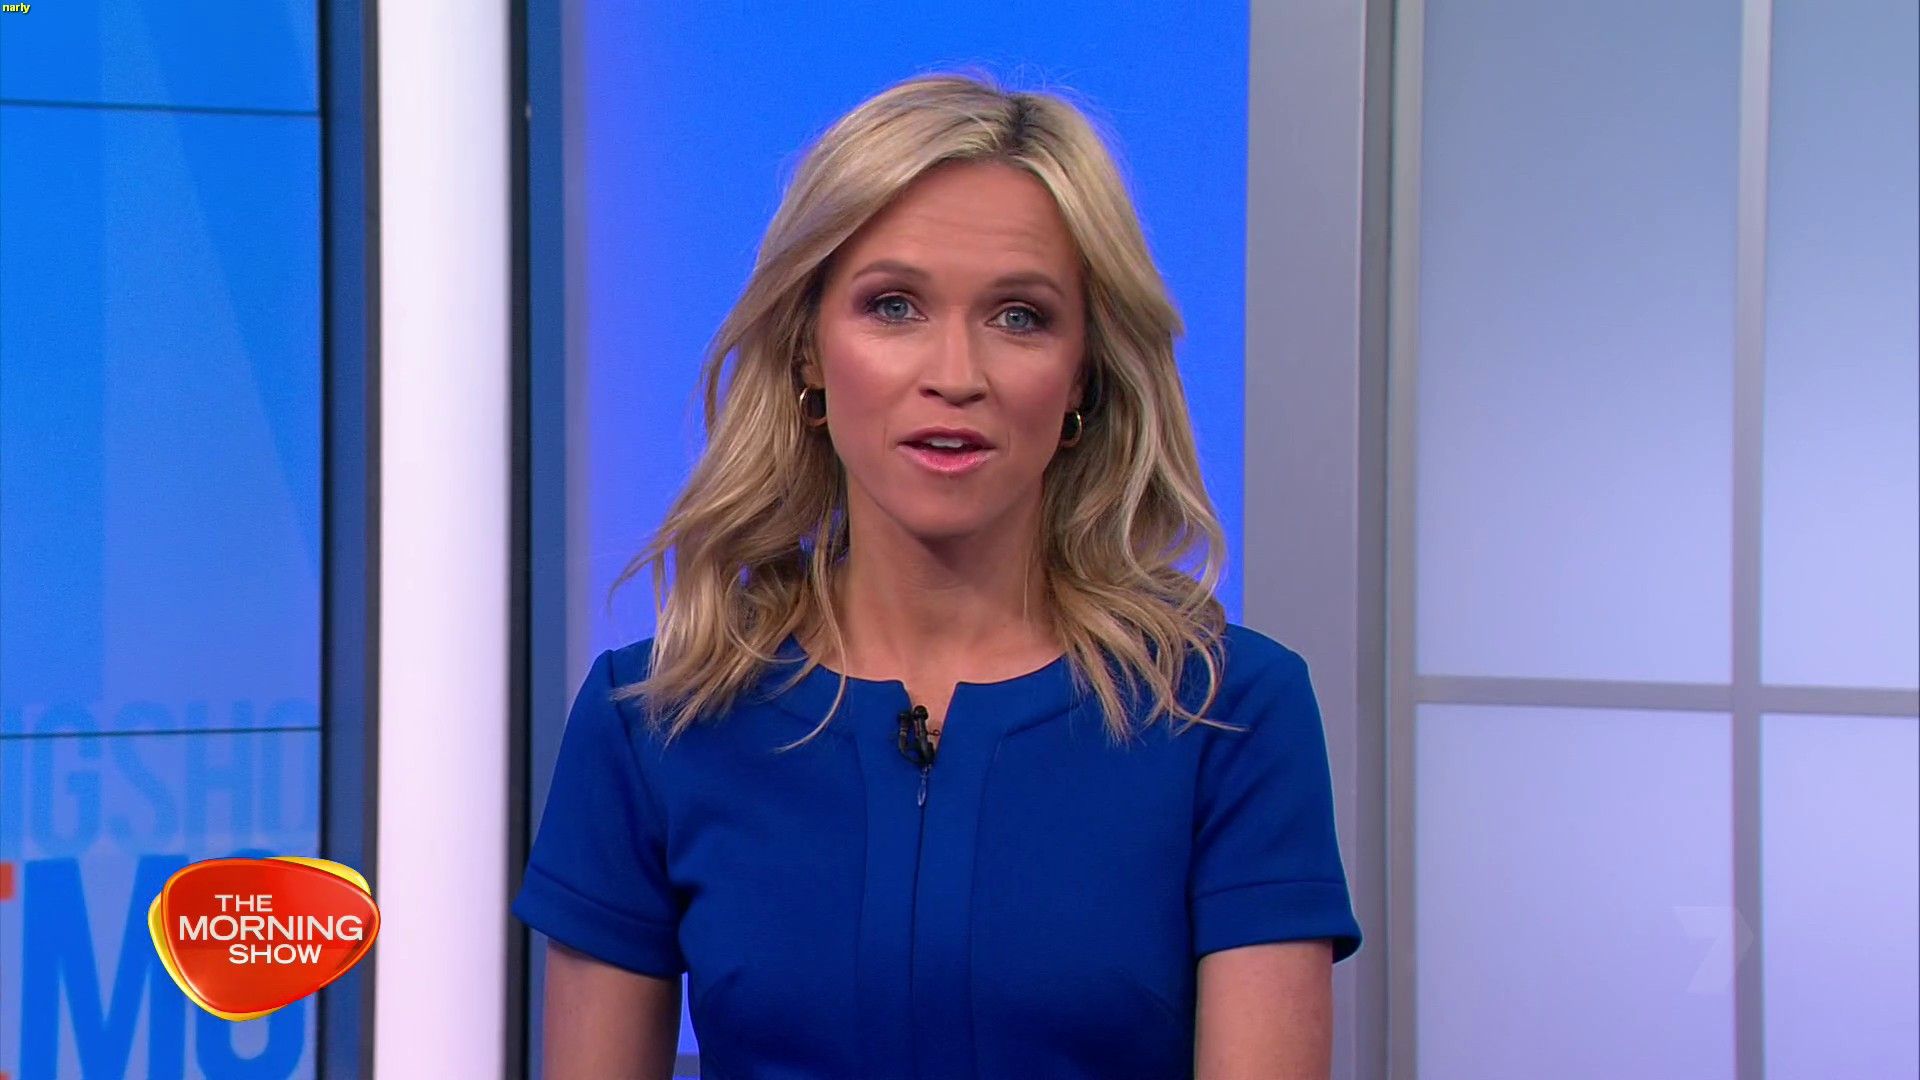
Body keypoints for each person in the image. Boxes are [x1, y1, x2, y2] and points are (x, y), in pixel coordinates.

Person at [512, 71, 1363, 1080]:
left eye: (1020, 317)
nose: (955, 374)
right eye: (894, 306)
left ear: (1085, 373)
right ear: (808, 352)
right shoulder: (655, 720)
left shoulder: (1228, 715)